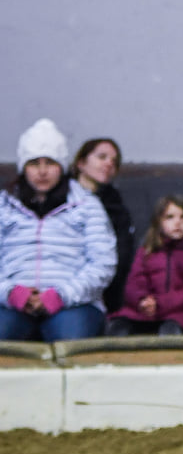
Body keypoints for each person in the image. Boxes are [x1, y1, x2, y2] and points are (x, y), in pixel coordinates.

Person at [0, 118, 116, 341]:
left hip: (73, 304)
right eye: (34, 163)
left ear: (61, 167)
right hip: (9, 303)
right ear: (23, 167)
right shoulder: (4, 206)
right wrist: (11, 292)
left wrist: (61, 295)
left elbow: (103, 263)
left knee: (71, 341)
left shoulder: (86, 204)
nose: (42, 171)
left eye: (50, 163)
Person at [109, 196, 183, 337]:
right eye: (170, 217)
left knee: (170, 332)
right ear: (159, 222)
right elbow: (135, 282)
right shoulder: (146, 252)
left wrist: (161, 303)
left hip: (177, 313)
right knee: (118, 327)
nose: (178, 222)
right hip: (144, 311)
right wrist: (142, 300)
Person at [72, 136, 135, 316]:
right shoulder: (59, 199)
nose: (109, 164)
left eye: (114, 162)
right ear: (81, 163)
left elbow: (122, 257)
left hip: (100, 294)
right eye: (102, 157)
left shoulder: (117, 207)